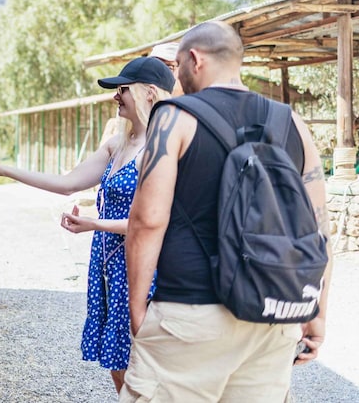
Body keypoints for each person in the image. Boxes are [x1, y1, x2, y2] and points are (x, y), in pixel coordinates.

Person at [122, 20, 333, 402]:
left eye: (179, 68)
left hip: (189, 317)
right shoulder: (292, 123)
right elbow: (319, 230)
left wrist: (138, 308)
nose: (178, 78)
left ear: (194, 59)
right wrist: (315, 314)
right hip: (270, 319)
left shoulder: (173, 117)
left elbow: (148, 220)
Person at [0, 57, 175, 394]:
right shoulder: (118, 144)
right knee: (118, 363)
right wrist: (4, 170)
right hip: (109, 268)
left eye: (122, 90)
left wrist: (95, 223)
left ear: (148, 93)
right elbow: (67, 183)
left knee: (143, 365)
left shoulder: (162, 149)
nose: (115, 97)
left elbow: (156, 222)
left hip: (142, 268)